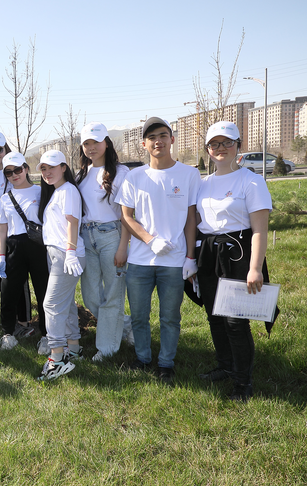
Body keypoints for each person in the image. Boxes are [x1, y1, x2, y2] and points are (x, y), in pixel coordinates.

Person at [116, 117, 201, 382]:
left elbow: (191, 218)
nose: (158, 141)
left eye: (163, 135)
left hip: (174, 262)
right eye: (152, 137)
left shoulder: (188, 174)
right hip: (141, 261)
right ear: (144, 144)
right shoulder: (135, 176)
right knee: (140, 316)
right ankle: (142, 358)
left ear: (172, 139)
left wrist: (190, 257)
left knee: (170, 317)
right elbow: (126, 217)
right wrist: (151, 240)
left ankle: (166, 363)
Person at [195, 121, 273, 402]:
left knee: (235, 321)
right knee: (214, 317)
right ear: (207, 149)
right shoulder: (202, 183)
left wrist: (254, 268)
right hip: (210, 255)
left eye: (227, 142)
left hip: (239, 255)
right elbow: (197, 223)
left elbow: (259, 230)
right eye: (214, 144)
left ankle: (243, 382)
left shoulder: (251, 181)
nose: (221, 148)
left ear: (239, 145)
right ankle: (225, 367)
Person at [75, 122, 132, 362]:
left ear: (106, 143)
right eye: (86, 143)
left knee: (113, 294)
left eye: (96, 142)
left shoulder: (121, 172)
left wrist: (122, 246)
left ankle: (107, 348)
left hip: (111, 236)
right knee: (91, 297)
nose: (91, 147)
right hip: (87, 237)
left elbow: (128, 215)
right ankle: (125, 327)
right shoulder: (81, 174)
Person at [37, 150, 84, 380]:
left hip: (66, 254)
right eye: (43, 169)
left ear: (64, 167)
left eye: (52, 167)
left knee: (51, 304)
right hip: (57, 253)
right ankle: (73, 349)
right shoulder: (57, 192)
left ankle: (57, 359)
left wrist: (71, 252)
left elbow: (72, 223)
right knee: (65, 304)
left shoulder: (68, 191)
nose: (47, 173)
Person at [0, 152, 49, 351]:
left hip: (37, 246)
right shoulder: (5, 198)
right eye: (9, 172)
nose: (14, 175)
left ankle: (46, 334)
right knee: (8, 292)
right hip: (14, 246)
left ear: (26, 168)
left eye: (17, 170)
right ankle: (8, 333)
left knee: (43, 291)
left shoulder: (40, 192)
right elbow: (2, 228)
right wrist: (1, 256)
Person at [0, 131, 32, 334]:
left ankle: (25, 322)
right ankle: (11, 319)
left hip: (19, 230)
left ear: (6, 148)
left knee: (19, 279)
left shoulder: (17, 170)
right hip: (1, 227)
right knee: (3, 276)